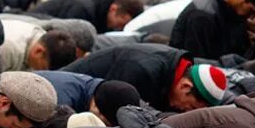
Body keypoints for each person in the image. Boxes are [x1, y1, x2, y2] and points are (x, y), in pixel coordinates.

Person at [62, 43, 228, 112]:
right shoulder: (143, 71)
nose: (185, 111)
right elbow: (114, 110)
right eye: (190, 107)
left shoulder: (172, 69)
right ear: (185, 87)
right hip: (68, 93)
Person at [170, 0, 255, 59]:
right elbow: (196, 63)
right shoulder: (202, 15)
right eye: (252, 11)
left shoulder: (233, 9)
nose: (251, 18)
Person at [32, 0, 145, 33]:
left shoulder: (99, 8)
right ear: (113, 9)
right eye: (120, 24)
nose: (119, 28)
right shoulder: (83, 8)